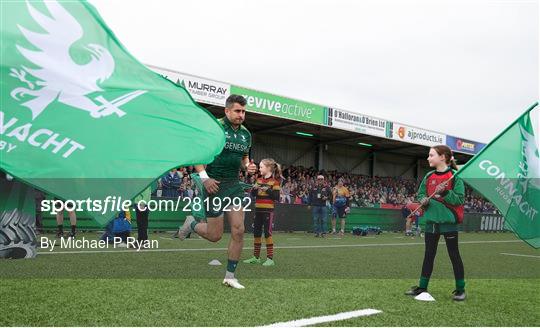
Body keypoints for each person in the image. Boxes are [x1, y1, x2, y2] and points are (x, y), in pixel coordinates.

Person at [177, 94, 257, 289]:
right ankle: (192, 223)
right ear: (227, 110)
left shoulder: (246, 134)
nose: (241, 115)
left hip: (234, 186)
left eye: (244, 111)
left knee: (239, 230)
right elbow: (199, 156)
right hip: (213, 185)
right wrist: (205, 179)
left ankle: (230, 276)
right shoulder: (216, 128)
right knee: (215, 236)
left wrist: (247, 166)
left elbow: (244, 157)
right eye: (237, 111)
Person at [405, 145, 466, 301]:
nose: (428, 158)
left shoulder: (455, 176)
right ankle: (422, 287)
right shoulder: (429, 176)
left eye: (431, 155)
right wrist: (423, 201)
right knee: (428, 255)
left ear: (442, 157)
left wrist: (445, 192)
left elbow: (459, 199)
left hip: (449, 223)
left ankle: (460, 289)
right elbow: (421, 195)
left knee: (454, 255)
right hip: (431, 222)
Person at [243, 158, 281, 266]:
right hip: (258, 210)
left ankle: (270, 259)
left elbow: (277, 197)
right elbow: (253, 195)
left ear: (268, 168)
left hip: (268, 211)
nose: (259, 169)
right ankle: (256, 257)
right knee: (256, 233)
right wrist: (254, 189)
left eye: (261, 167)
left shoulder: (275, 182)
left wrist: (267, 189)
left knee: (267, 234)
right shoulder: (258, 180)